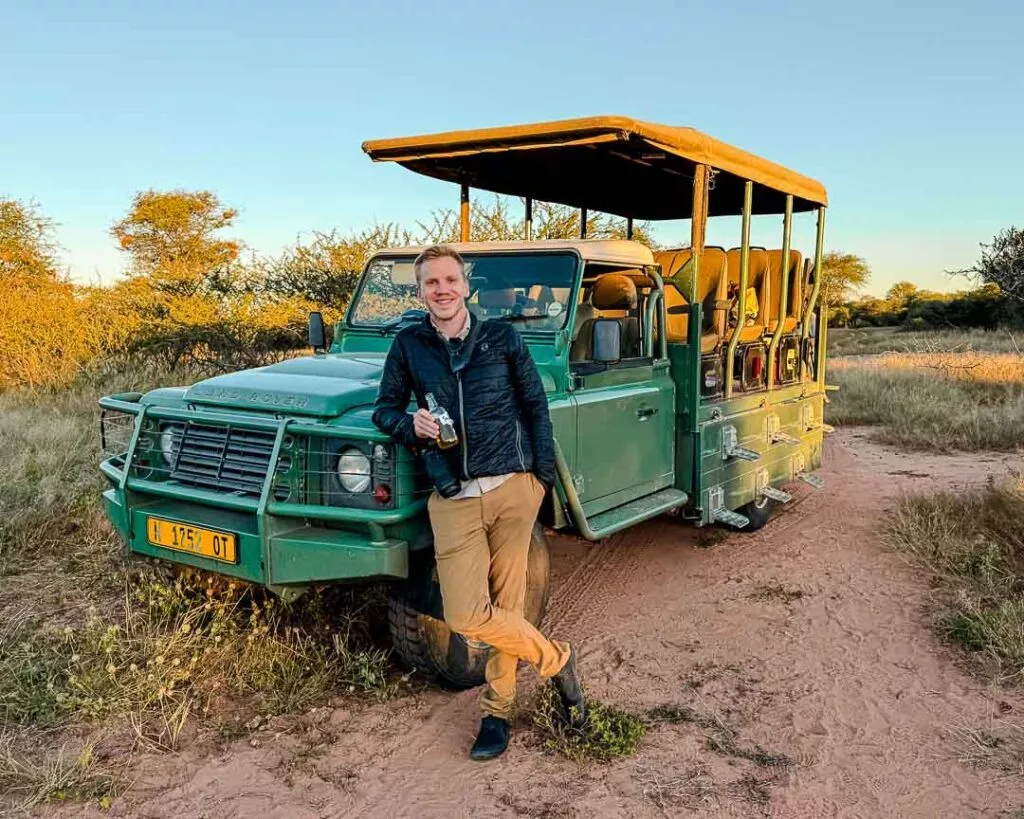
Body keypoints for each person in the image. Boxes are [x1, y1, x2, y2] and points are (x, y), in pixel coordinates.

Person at [372, 245, 585, 761]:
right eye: (430, 283)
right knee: (468, 613)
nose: (441, 290)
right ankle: (557, 660)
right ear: (419, 291)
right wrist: (409, 423)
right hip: (454, 494)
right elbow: (384, 409)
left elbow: (536, 405)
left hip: (513, 489)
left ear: (464, 285)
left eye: (449, 280)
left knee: (509, 608)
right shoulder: (409, 344)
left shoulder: (501, 336)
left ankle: (496, 713)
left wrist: (539, 480)